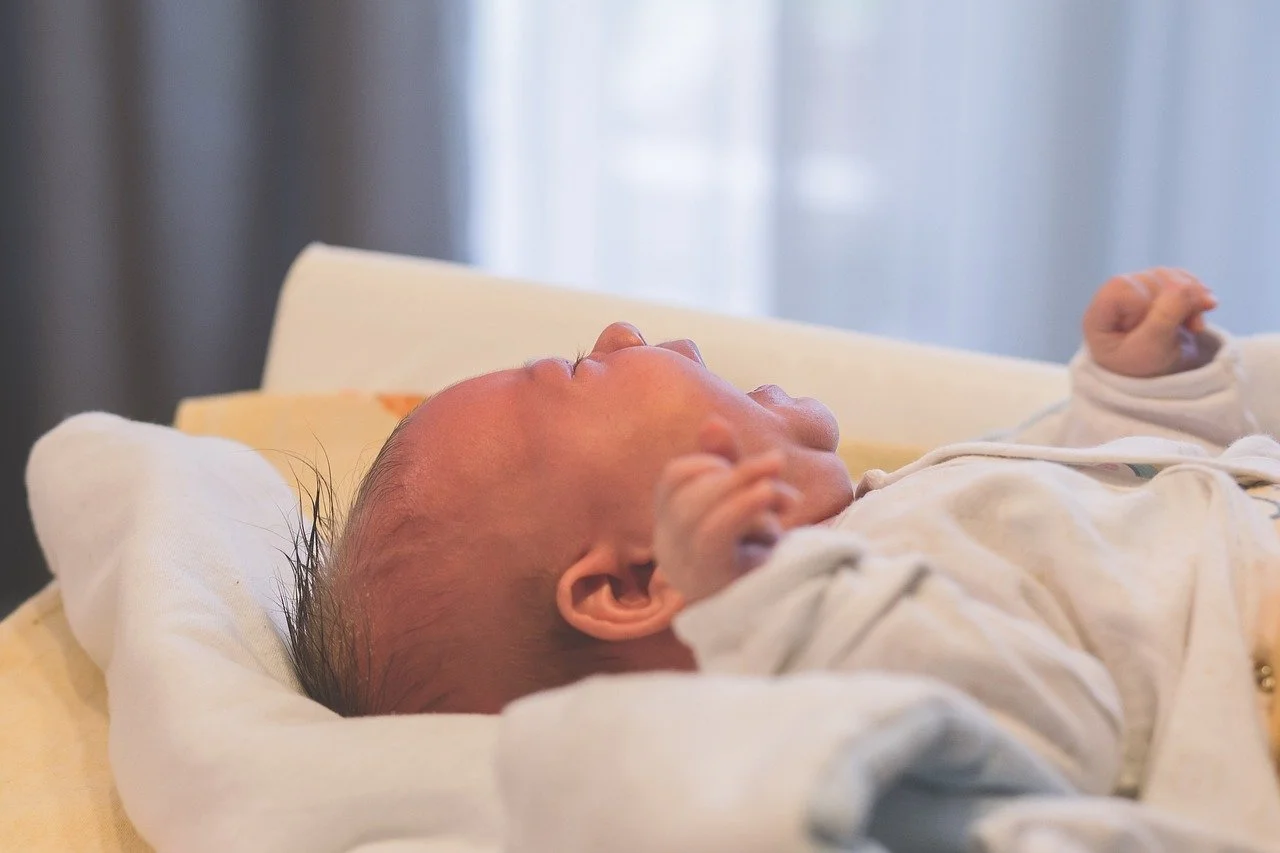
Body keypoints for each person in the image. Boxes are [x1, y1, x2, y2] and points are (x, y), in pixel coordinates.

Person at [285, 268, 1280, 795]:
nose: (627, 333)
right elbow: (1073, 720)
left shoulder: (891, 522)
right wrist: (779, 608)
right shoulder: (850, 677)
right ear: (635, 581)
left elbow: (1098, 525)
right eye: (581, 370)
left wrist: (1138, 398)